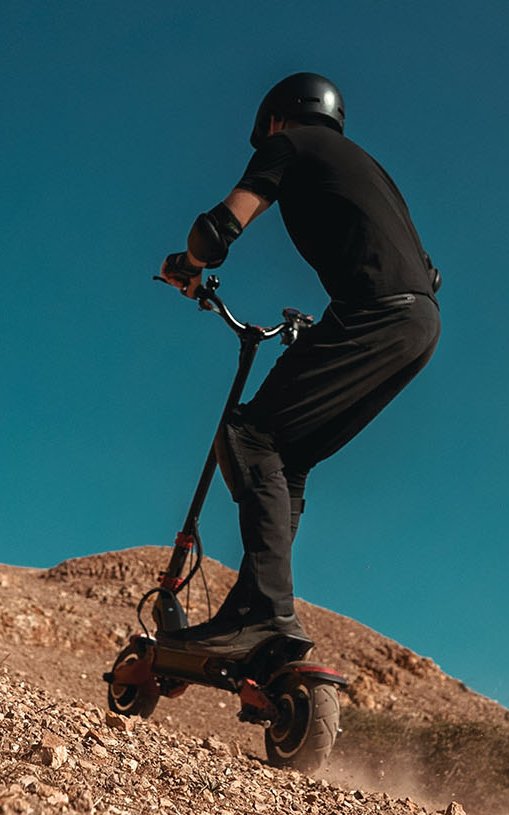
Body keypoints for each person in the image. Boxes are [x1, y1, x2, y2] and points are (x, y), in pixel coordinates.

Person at [157, 72, 442, 658]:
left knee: (247, 436)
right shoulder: (368, 167)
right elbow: (427, 271)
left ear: (277, 118)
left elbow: (218, 229)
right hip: (418, 323)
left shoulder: (288, 144)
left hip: (373, 315)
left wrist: (187, 263)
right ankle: (253, 614)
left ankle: (266, 614)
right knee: (288, 456)